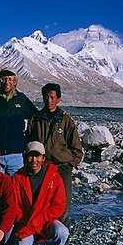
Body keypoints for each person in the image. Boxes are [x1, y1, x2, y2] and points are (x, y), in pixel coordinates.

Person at [26, 83, 83, 229]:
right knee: (39, 201)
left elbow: (77, 148)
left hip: (62, 167)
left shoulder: (65, 120)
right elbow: (28, 143)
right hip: (41, 167)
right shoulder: (36, 119)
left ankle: (62, 239)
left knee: (62, 203)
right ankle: (37, 235)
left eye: (52, 97)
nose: (49, 100)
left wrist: (70, 164)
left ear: (58, 99)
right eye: (46, 97)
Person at [12, 141, 68, 245]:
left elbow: (59, 206)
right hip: (26, 221)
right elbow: (14, 204)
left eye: (37, 156)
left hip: (46, 221)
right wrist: (25, 221)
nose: (34, 160)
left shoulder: (54, 176)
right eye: (30, 155)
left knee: (62, 231)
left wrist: (37, 222)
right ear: (25, 157)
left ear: (43, 158)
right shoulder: (18, 177)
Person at [0, 69, 37, 176]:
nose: (7, 82)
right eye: (4, 79)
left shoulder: (22, 99)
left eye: (10, 79)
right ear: (0, 80)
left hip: (16, 154)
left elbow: (36, 116)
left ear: (15, 82)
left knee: (16, 187)